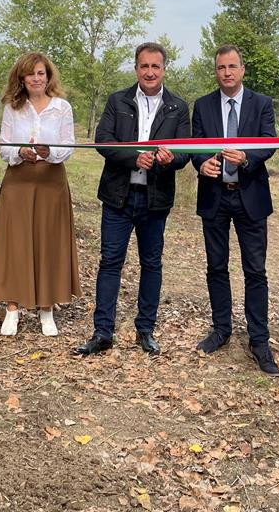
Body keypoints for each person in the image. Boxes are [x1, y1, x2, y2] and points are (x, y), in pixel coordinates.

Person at [74, 42, 190, 357]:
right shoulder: (118, 100)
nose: (149, 72)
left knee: (151, 264)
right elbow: (103, 141)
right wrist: (133, 157)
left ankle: (145, 330)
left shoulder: (178, 107)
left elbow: (185, 152)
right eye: (144, 66)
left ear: (164, 69)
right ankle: (102, 332)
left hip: (155, 199)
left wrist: (169, 159)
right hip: (118, 197)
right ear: (136, 68)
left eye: (155, 66)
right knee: (110, 262)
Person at [191, 45, 279, 376]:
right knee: (216, 267)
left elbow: (269, 143)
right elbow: (195, 146)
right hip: (214, 196)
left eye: (232, 66)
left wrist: (247, 158)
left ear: (242, 69)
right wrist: (202, 165)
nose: (226, 72)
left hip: (250, 196)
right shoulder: (202, 105)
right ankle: (221, 329)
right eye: (221, 67)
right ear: (215, 71)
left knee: (255, 270)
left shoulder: (262, 103)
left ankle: (259, 340)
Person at [0, 52, 81, 336]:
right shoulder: (13, 108)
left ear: (48, 76)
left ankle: (46, 308)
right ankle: (12, 309)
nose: (36, 79)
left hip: (51, 182)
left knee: (48, 242)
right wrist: (20, 151)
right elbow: (3, 147)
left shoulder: (62, 107)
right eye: (31, 74)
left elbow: (69, 145)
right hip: (19, 181)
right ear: (21, 78)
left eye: (41, 73)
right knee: (16, 243)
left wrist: (50, 152)